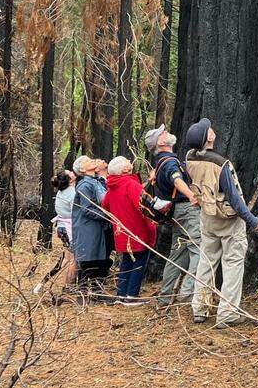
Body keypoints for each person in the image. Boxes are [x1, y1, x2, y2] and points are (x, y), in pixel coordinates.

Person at [185, 118, 258, 328]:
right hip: (227, 220)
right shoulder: (221, 164)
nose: (212, 130)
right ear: (209, 138)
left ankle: (200, 308)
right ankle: (227, 313)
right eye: (208, 129)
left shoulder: (190, 158)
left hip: (207, 216)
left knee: (207, 261)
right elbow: (235, 198)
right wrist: (253, 220)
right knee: (232, 264)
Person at [145, 124, 202, 306]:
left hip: (177, 213)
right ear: (161, 142)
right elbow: (177, 180)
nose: (168, 133)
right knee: (199, 250)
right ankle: (187, 292)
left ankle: (165, 296)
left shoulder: (161, 162)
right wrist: (192, 195)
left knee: (177, 254)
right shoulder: (169, 162)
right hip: (187, 210)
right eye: (164, 133)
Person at [101, 156, 157, 304]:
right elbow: (143, 205)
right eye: (127, 161)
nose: (129, 162)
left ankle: (121, 294)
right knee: (138, 261)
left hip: (122, 231)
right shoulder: (130, 184)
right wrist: (154, 218)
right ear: (125, 169)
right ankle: (131, 296)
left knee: (126, 261)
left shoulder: (112, 186)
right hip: (137, 229)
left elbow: (105, 205)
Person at [70, 156, 112, 295]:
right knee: (87, 259)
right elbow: (87, 209)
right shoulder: (85, 185)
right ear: (82, 169)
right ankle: (82, 293)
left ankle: (96, 292)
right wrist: (108, 216)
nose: (93, 160)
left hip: (97, 227)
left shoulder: (95, 182)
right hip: (88, 228)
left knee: (97, 260)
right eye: (88, 160)